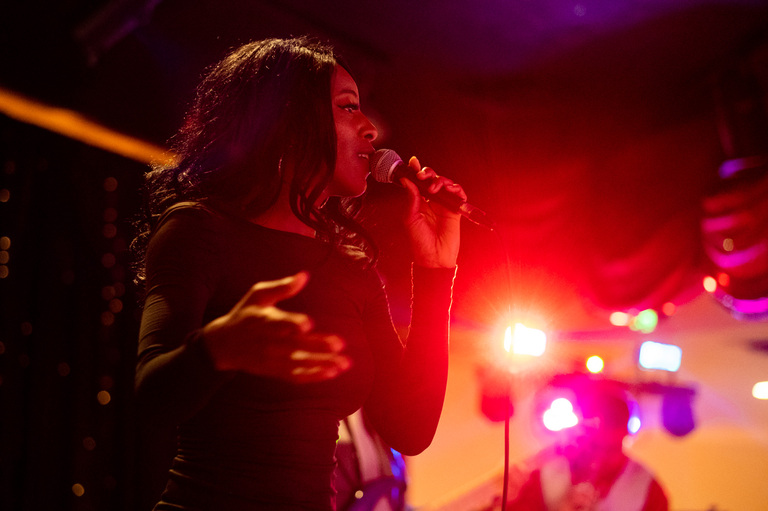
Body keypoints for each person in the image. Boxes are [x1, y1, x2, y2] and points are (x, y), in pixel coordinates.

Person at [132, 37, 463, 510]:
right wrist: (220, 348)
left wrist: (435, 273)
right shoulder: (199, 230)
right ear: (286, 120)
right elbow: (151, 398)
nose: (371, 129)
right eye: (349, 108)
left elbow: (409, 429)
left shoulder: (351, 268)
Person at [506, 379, 669, 511]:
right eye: (593, 444)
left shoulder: (647, 487)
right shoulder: (544, 472)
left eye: (610, 448)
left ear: (625, 432)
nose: (599, 457)